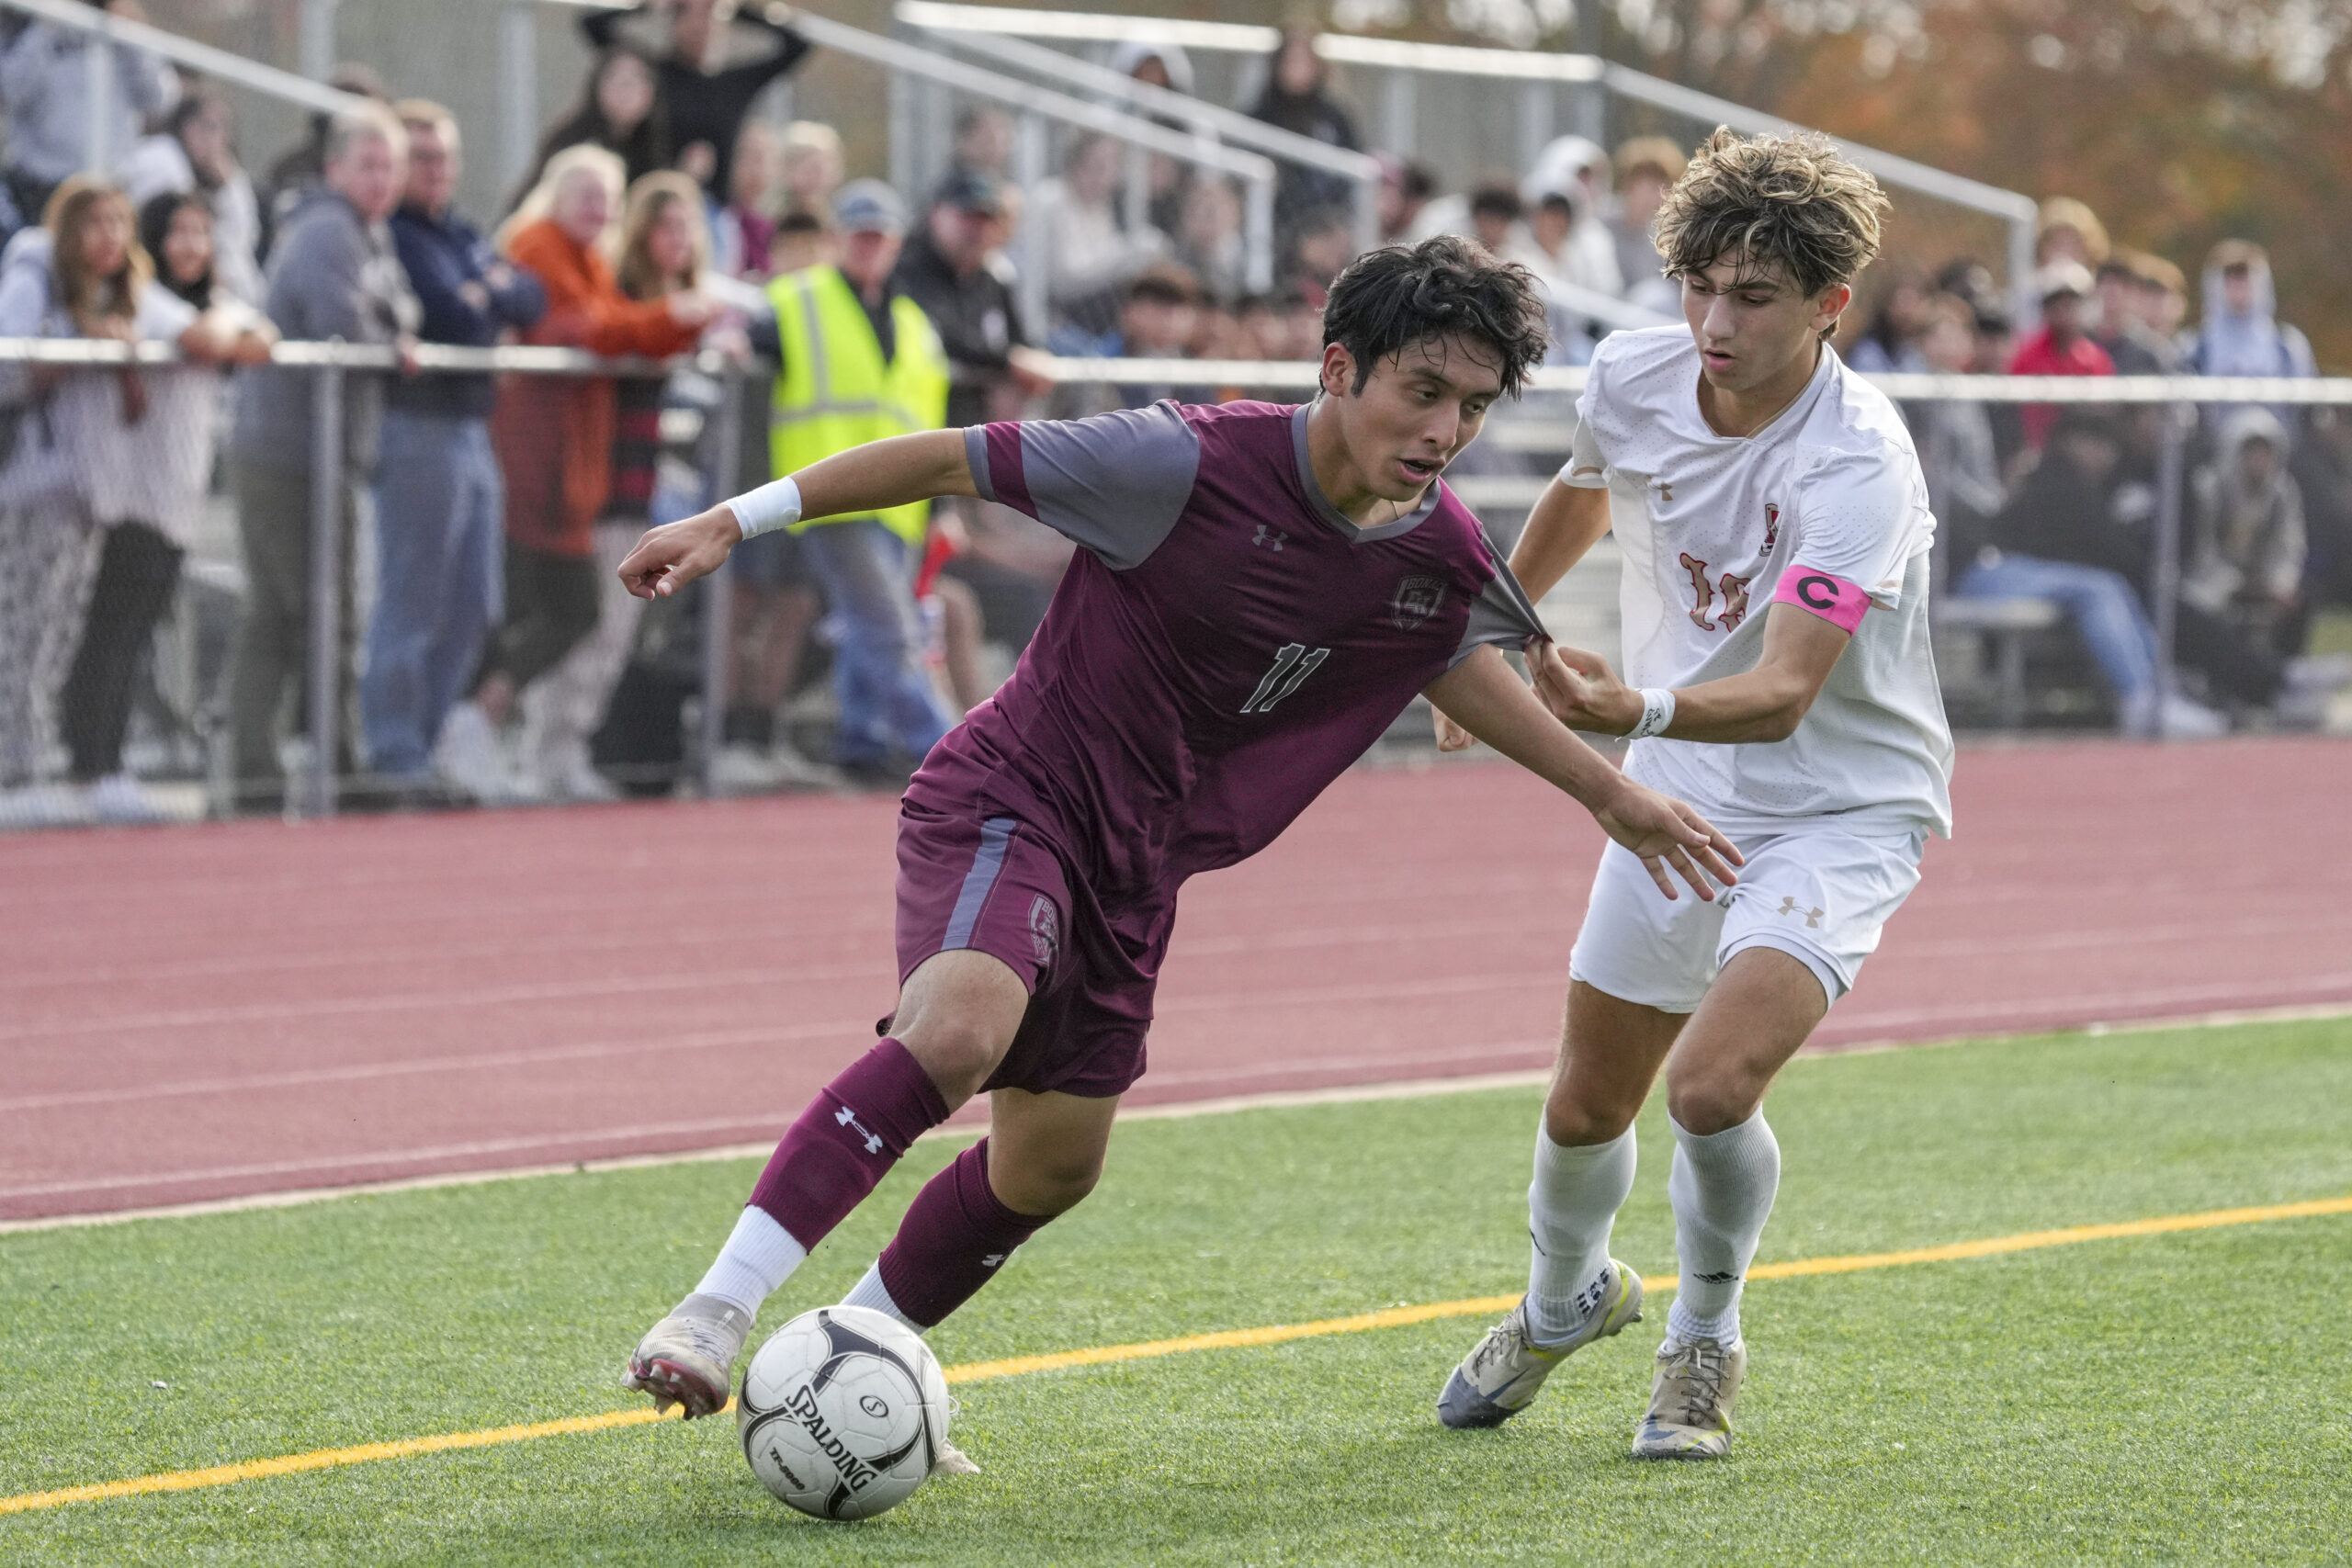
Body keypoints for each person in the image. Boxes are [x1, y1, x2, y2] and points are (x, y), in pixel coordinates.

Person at [611, 233, 1739, 1438]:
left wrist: (1610, 789)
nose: (1445, 429)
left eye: (1471, 404)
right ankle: (716, 1310)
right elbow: (946, 460)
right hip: (1021, 791)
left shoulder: (1437, 546)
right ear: (1340, 368)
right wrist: (736, 518)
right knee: (958, 1026)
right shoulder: (1178, 461)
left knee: (1050, 1166)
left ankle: (849, 1351)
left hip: (1142, 867)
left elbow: (1456, 653)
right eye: (1424, 391)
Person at [1429, 129, 1954, 1461]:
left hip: (1839, 805)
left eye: (1756, 296)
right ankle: (1566, 1300)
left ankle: (1702, 1336)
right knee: (1582, 1105)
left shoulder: (1861, 467)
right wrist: (1498, 633)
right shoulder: (1635, 373)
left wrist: (1627, 709)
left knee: (1711, 1087)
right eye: (1701, 286)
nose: (1716, 322)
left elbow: (1784, 686)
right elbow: (1587, 489)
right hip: (1675, 783)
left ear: (1831, 304)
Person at [439, 146, 715, 804]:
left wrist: (674, 324)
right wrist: (666, 318)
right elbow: (584, 328)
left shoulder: (589, 260)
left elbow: (613, 327)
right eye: (585, 192)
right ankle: (473, 725)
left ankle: (491, 728)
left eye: (607, 197)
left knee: (572, 609)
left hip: (568, 472)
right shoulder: (539, 245)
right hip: (534, 466)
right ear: (555, 193)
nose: (598, 207)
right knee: (538, 608)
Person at [52, 186, 275, 822]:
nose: (191, 246)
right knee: (109, 636)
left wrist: (234, 322)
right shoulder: (144, 299)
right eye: (177, 232)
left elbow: (261, 338)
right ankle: (91, 764)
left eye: (201, 233)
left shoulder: (207, 302)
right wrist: (231, 325)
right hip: (126, 496)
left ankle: (105, 762)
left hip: (176, 497)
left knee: (135, 632)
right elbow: (210, 337)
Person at [225, 107, 420, 813]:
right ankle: (310, 767)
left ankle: (282, 768)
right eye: (366, 164)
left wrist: (390, 327)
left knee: (293, 613)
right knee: (303, 612)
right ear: (334, 169)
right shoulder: (327, 230)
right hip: (289, 452)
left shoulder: (370, 234)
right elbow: (345, 320)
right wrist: (387, 332)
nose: (380, 179)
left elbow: (404, 313)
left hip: (327, 452)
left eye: (389, 166)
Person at [742, 179, 956, 784]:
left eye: (880, 236)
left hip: (901, 502)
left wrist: (940, 503)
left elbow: (927, 422)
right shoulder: (798, 298)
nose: (870, 246)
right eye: (859, 234)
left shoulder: (916, 324)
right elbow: (751, 337)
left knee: (870, 626)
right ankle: (944, 748)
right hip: (830, 492)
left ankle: (860, 740)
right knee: (890, 625)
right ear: (837, 238)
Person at [518, 171, 724, 802]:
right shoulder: (627, 289)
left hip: (640, 485)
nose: (678, 238)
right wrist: (676, 319)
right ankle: (543, 752)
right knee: (594, 623)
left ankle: (566, 750)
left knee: (615, 630)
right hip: (599, 481)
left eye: (685, 225)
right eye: (664, 225)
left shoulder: (664, 298)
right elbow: (623, 329)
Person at [366, 101, 548, 795]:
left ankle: (434, 737)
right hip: (418, 425)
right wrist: (485, 297)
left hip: (474, 428)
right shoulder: (399, 236)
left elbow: (527, 297)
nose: (435, 170)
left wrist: (488, 292)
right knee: (413, 597)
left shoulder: (462, 232)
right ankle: (394, 749)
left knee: (475, 601)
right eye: (420, 158)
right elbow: (451, 309)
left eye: (443, 157)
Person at [1956, 412, 2224, 738]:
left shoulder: (2070, 480)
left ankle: (2159, 695)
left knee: (2108, 585)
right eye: (2097, 445)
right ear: (2073, 443)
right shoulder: (2056, 477)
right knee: (2098, 588)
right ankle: (2140, 700)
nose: (2105, 457)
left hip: (2010, 570)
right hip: (1982, 571)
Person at [580, 0, 810, 197]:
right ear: (673, 23)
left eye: (708, 17)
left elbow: (798, 45)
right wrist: (649, 6)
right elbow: (593, 25)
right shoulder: (655, 75)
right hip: (653, 206)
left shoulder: (735, 84)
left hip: (715, 213)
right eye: (688, 16)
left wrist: (733, 8)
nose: (700, 26)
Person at [0, 0, 178, 225]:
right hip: (40, 188)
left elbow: (159, 98)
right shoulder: (23, 18)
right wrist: (46, 24)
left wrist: (132, 32)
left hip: (111, 185)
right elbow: (7, 92)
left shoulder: (118, 20)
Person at [114, 89, 266, 307]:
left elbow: (241, 241)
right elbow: (163, 230)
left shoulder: (222, 177)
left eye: (222, 129)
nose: (215, 138)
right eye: (207, 126)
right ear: (183, 126)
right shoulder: (161, 157)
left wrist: (228, 186)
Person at [1029, 132, 1165, 336]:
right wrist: (1127, 252)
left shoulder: (1102, 210)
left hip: (1085, 324)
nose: (1104, 175)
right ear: (1076, 163)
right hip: (1046, 319)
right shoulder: (1051, 198)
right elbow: (1063, 279)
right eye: (1096, 165)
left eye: (1111, 166)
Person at [514, 47, 672, 207]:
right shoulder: (570, 140)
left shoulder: (658, 145)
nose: (627, 89)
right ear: (597, 86)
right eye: (616, 78)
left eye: (638, 79)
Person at [1249, 26, 1362, 230]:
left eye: (1303, 60)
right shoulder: (1262, 114)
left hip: (1327, 217)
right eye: (1291, 60)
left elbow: (1352, 162)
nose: (1297, 68)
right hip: (1275, 219)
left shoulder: (1333, 116)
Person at [2007, 260, 2112, 450]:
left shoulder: (2096, 359)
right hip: (2033, 452)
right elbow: (2013, 416)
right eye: (2057, 304)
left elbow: (2101, 417)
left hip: (2081, 453)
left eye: (2071, 304)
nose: (2065, 312)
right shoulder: (2026, 355)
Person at [1610, 137, 1685, 316]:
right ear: (1628, 184)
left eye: (1665, 188)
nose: (1658, 196)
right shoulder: (1600, 225)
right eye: (1650, 186)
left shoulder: (1665, 239)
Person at [2088, 254, 2173, 376]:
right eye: (2105, 283)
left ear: (2132, 292)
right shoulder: (2079, 343)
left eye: (2121, 285)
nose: (2112, 291)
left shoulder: (2152, 349)